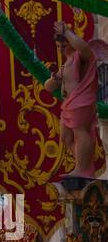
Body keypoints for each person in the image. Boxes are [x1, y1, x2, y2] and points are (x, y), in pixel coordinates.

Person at [44, 21, 99, 177]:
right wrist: (55, 77)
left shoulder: (78, 57)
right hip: (69, 104)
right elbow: (48, 87)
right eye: (59, 47)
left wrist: (67, 32)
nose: (62, 49)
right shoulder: (66, 64)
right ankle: (83, 166)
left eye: (64, 45)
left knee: (80, 131)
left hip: (80, 100)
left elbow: (86, 49)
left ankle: (82, 170)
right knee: (66, 137)